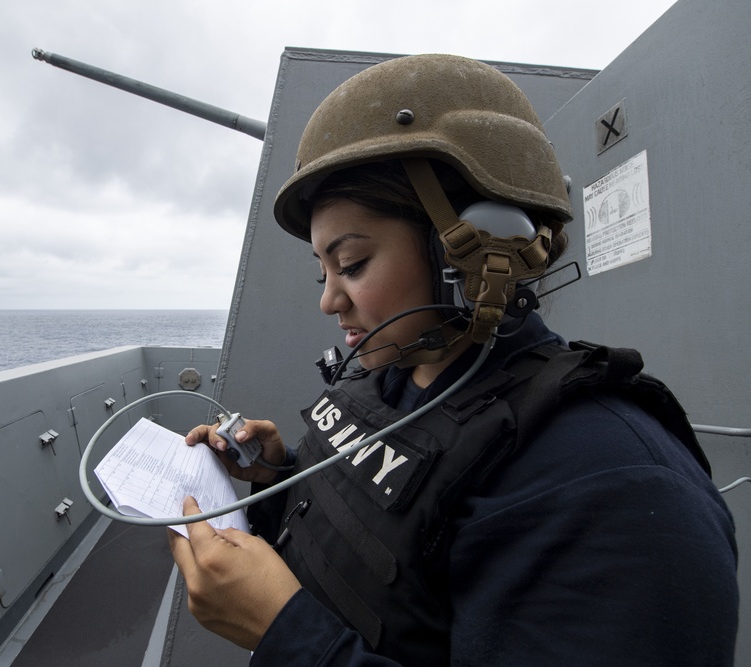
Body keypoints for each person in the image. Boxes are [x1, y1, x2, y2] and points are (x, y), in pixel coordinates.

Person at [167, 54, 739, 666]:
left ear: (476, 247)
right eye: (323, 273)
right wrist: (277, 480)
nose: (331, 299)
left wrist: (290, 636)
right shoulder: (392, 381)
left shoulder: (612, 487)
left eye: (353, 263)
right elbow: (377, 546)